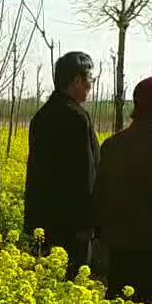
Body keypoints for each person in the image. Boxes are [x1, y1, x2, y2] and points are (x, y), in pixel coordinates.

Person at [92, 76, 152, 304]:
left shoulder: (113, 143)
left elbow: (100, 190)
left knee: (117, 301)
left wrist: (98, 231)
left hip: (116, 242)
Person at [23, 51, 99, 277]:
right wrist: (89, 222)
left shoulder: (42, 115)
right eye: (89, 80)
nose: (90, 86)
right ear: (76, 80)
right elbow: (85, 173)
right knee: (70, 279)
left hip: (42, 218)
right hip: (72, 224)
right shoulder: (76, 116)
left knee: (45, 279)